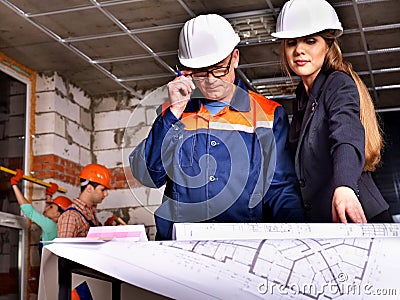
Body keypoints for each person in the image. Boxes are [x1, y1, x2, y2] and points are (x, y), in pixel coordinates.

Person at [130, 14, 305, 240]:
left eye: (219, 68)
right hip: (178, 249)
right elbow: (149, 176)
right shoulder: (173, 115)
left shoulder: (267, 115)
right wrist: (173, 114)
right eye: (200, 71)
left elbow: (280, 188)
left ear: (235, 58)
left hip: (243, 246)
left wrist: (296, 237)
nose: (211, 80)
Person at [271, 0, 391, 223]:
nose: (299, 50)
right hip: (328, 223)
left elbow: (346, 135)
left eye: (310, 41)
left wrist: (345, 185)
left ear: (328, 45)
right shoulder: (301, 99)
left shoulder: (337, 83)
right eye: (291, 43)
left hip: (357, 215)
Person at [10, 169, 72, 243]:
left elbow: (29, 211)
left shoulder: (50, 226)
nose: (47, 207)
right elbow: (48, 212)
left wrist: (14, 184)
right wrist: (49, 194)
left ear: (57, 214)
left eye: (51, 207)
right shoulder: (58, 227)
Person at [57, 163, 113, 237]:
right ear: (89, 188)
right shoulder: (71, 217)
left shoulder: (89, 212)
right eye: (103, 190)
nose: (106, 194)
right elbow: (64, 248)